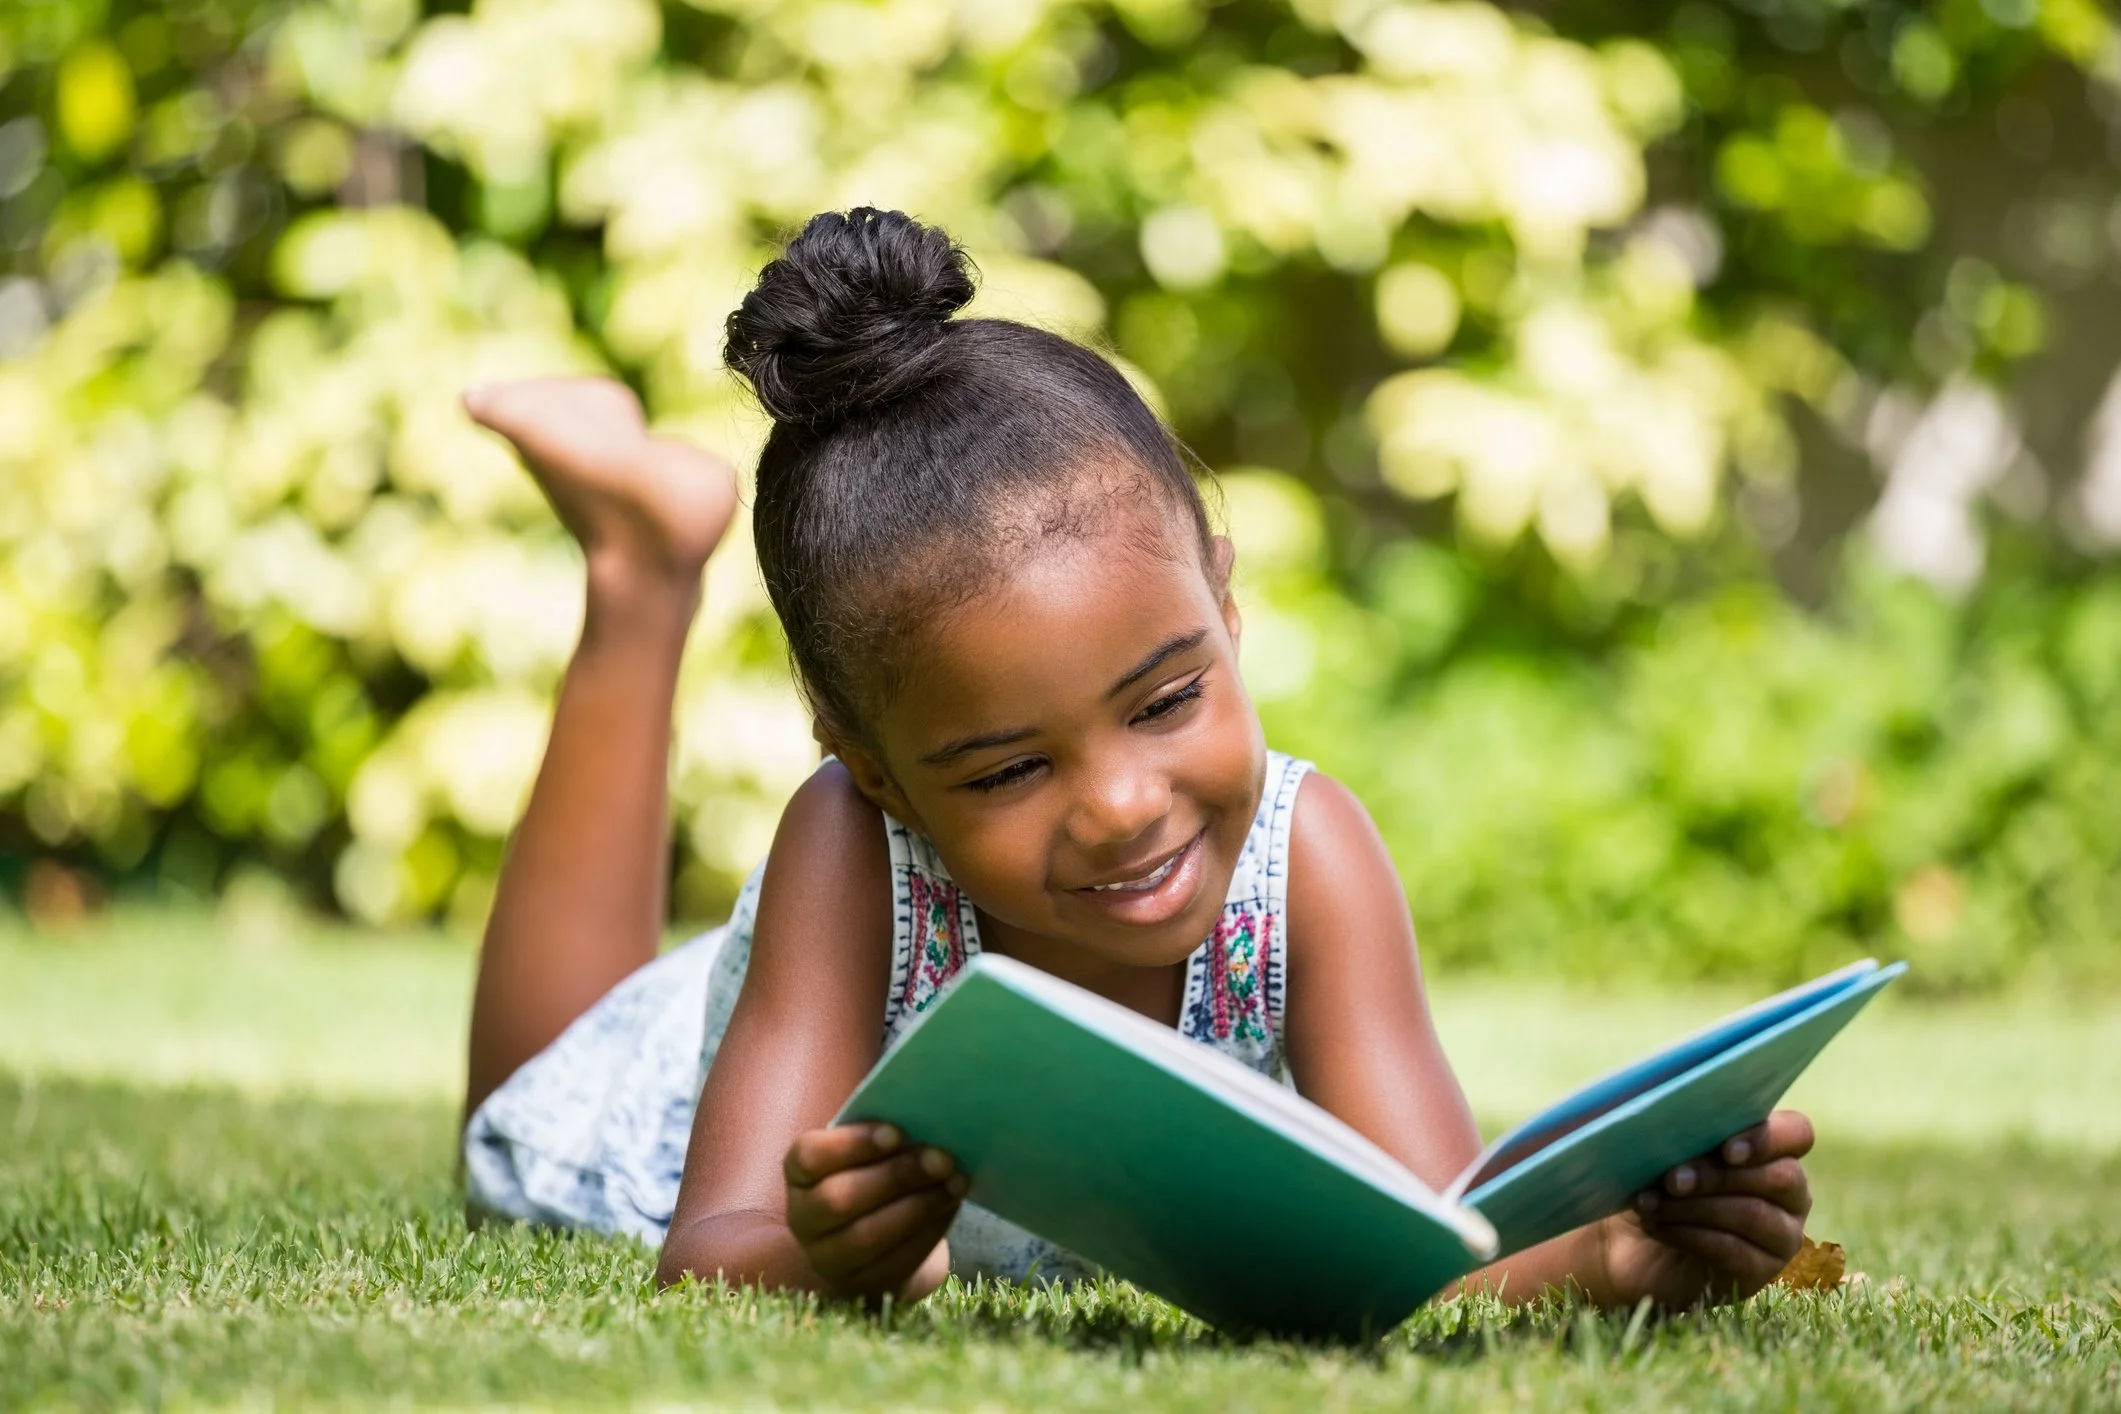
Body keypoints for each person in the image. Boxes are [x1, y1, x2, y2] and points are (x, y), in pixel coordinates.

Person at [456, 207, 1816, 1314]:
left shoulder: (1310, 858)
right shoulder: (848, 847)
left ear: (1226, 604)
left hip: (775, 1007)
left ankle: (650, 547)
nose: (1118, 806)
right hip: (676, 1094)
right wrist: (828, 1253)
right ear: (865, 759)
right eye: (1003, 772)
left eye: (1165, 701)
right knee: (522, 1097)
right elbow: (713, 1244)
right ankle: (640, 573)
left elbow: (1435, 1237)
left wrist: (1623, 1256)